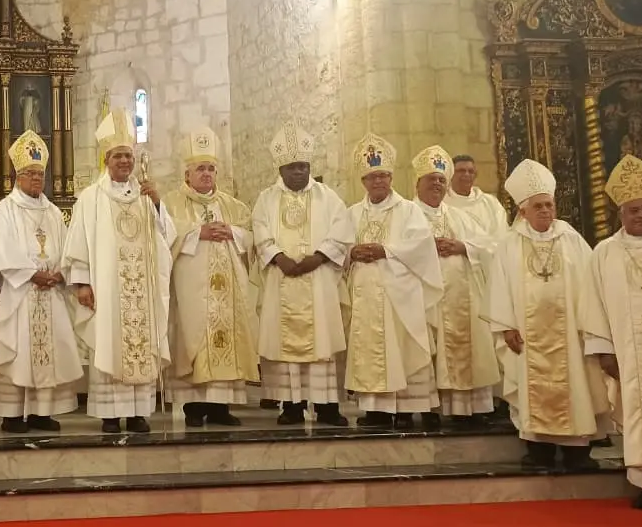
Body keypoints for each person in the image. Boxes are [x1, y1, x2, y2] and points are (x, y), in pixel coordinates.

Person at [488, 159, 608, 471]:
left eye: (549, 205)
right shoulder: (508, 245)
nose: (545, 211)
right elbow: (498, 286)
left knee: (576, 386)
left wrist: (590, 327)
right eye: (538, 206)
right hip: (527, 338)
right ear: (523, 211)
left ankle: (577, 451)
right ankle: (538, 450)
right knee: (530, 386)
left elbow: (591, 283)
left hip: (570, 333)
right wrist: (505, 325)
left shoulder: (571, 240)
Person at [63, 108, 174, 434]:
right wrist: (82, 283)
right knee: (109, 343)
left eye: (128, 155)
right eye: (117, 156)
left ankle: (139, 412)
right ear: (106, 160)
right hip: (108, 290)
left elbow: (167, 238)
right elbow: (80, 241)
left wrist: (157, 205)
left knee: (140, 344)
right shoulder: (91, 198)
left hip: (141, 292)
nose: (124, 161)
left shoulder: (145, 195)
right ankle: (110, 414)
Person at [251, 120, 353, 426]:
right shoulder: (266, 199)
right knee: (284, 344)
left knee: (321, 344)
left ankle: (327, 407)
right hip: (281, 279)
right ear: (280, 169)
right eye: (293, 167)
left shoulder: (328, 197)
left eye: (303, 166)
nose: (299, 172)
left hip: (318, 279)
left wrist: (319, 257)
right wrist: (278, 256)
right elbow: (259, 230)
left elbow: (341, 231)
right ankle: (291, 406)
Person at [343, 135, 442, 429]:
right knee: (370, 349)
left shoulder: (409, 210)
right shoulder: (352, 213)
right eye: (373, 177)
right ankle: (377, 410)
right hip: (364, 295)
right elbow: (339, 247)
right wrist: (352, 252)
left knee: (402, 347)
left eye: (384, 176)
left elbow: (421, 246)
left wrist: (384, 250)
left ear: (391, 177)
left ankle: (407, 406)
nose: (379, 182)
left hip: (399, 295)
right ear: (364, 181)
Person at [164, 126, 258, 428]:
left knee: (225, 338)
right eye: (200, 169)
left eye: (211, 169)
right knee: (193, 340)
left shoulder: (232, 205)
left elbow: (252, 236)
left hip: (227, 293)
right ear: (187, 174)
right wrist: (197, 233)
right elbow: (164, 236)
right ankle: (193, 407)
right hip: (191, 292)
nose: (206, 174)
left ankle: (221, 407)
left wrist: (233, 232)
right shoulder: (171, 203)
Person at [0, 131, 81, 433]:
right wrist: (31, 274)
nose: (36, 179)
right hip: (21, 294)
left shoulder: (53, 212)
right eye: (30, 173)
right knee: (19, 351)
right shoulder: (6, 209)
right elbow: (2, 250)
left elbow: (67, 250)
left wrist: (59, 272)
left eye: (40, 174)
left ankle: (42, 413)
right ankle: (12, 414)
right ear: (18, 175)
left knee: (47, 352)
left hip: (50, 292)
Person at [582, 154, 642, 508]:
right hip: (629, 355)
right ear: (621, 213)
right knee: (635, 412)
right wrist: (603, 348)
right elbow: (593, 304)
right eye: (635, 210)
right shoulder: (605, 253)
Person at [412, 146, 501, 423]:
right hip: (424, 297)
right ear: (418, 183)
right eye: (431, 179)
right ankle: (431, 408)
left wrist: (462, 246)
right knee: (428, 349)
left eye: (441, 180)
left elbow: (491, 245)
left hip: (462, 295)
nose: (437, 184)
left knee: (467, 347)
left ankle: (465, 409)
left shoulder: (458, 216)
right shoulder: (408, 213)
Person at [448, 154, 509, 237]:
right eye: (461, 171)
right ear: (450, 174)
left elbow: (502, 234)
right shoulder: (444, 203)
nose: (467, 174)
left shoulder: (491, 203)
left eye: (471, 171)